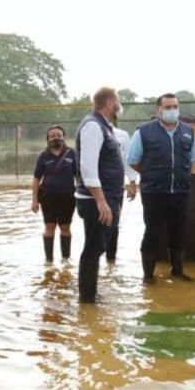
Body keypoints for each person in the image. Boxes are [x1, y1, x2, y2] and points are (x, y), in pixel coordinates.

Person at [127, 93, 195, 282]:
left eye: (175, 106)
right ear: (158, 109)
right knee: (152, 232)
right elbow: (133, 160)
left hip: (180, 192)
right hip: (154, 193)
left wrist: (180, 176)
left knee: (179, 232)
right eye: (167, 107)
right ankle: (148, 276)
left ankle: (178, 271)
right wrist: (151, 174)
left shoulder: (188, 131)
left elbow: (192, 159)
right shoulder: (143, 132)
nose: (172, 110)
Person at [74, 87, 125, 303]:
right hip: (96, 200)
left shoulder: (104, 126)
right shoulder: (93, 126)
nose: (120, 105)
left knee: (97, 248)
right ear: (110, 102)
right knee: (93, 249)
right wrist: (101, 201)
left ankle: (90, 292)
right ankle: (87, 301)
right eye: (118, 100)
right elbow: (88, 168)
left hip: (105, 198)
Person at [31, 125, 78, 263]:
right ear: (47, 139)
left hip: (68, 198)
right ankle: (49, 261)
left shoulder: (72, 154)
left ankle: (65, 260)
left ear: (64, 137)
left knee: (65, 228)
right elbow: (36, 179)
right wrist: (34, 200)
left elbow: (78, 177)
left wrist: (83, 196)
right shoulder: (43, 156)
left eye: (59, 135)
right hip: (47, 198)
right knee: (49, 227)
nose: (56, 138)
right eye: (52, 136)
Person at [105, 117, 138, 263]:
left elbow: (128, 160)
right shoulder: (89, 131)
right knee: (94, 224)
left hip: (116, 186)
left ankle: (110, 261)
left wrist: (132, 183)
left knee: (114, 222)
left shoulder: (122, 135)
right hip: (94, 187)